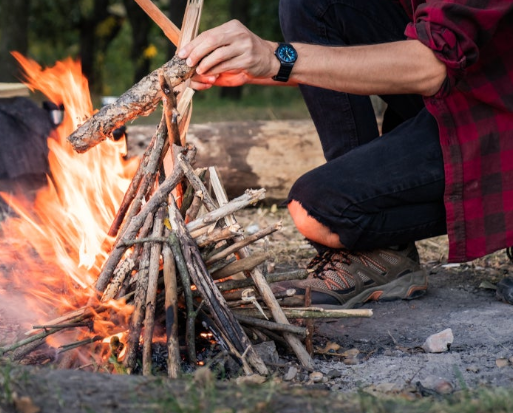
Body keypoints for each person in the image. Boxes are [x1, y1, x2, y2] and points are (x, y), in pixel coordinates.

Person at [178, 0, 513, 308]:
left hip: (498, 119)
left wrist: (276, 56)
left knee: (318, 211)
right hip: (464, 89)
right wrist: (257, 68)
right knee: (310, 4)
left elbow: (432, 65)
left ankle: (369, 241)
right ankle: (381, 252)